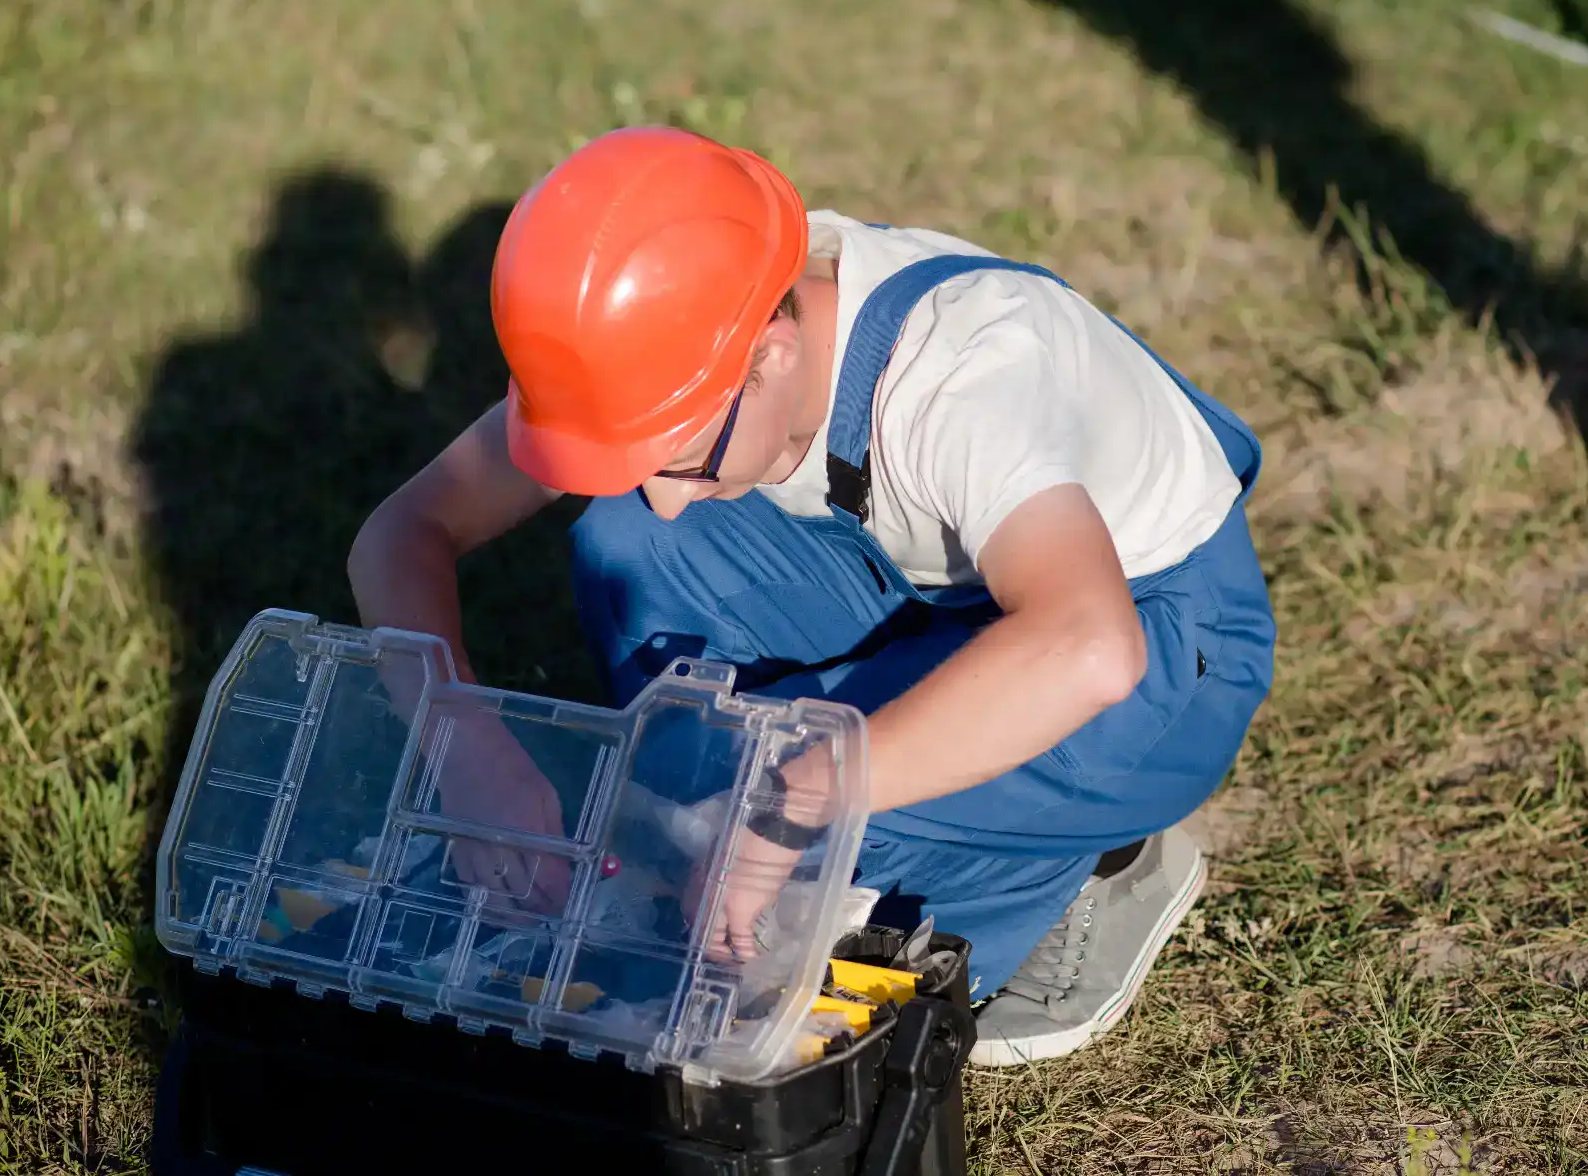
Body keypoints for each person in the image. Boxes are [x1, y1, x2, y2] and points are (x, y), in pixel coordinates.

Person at [347, 126, 1276, 1066]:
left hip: (1158, 636)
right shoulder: (678, 336)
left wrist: (797, 799)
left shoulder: (961, 379)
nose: (666, 493)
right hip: (943, 588)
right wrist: (464, 747)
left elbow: (1088, 646)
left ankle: (1093, 873)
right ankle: (758, 813)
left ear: (775, 350)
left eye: (681, 457)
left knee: (837, 866)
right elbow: (400, 535)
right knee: (629, 557)